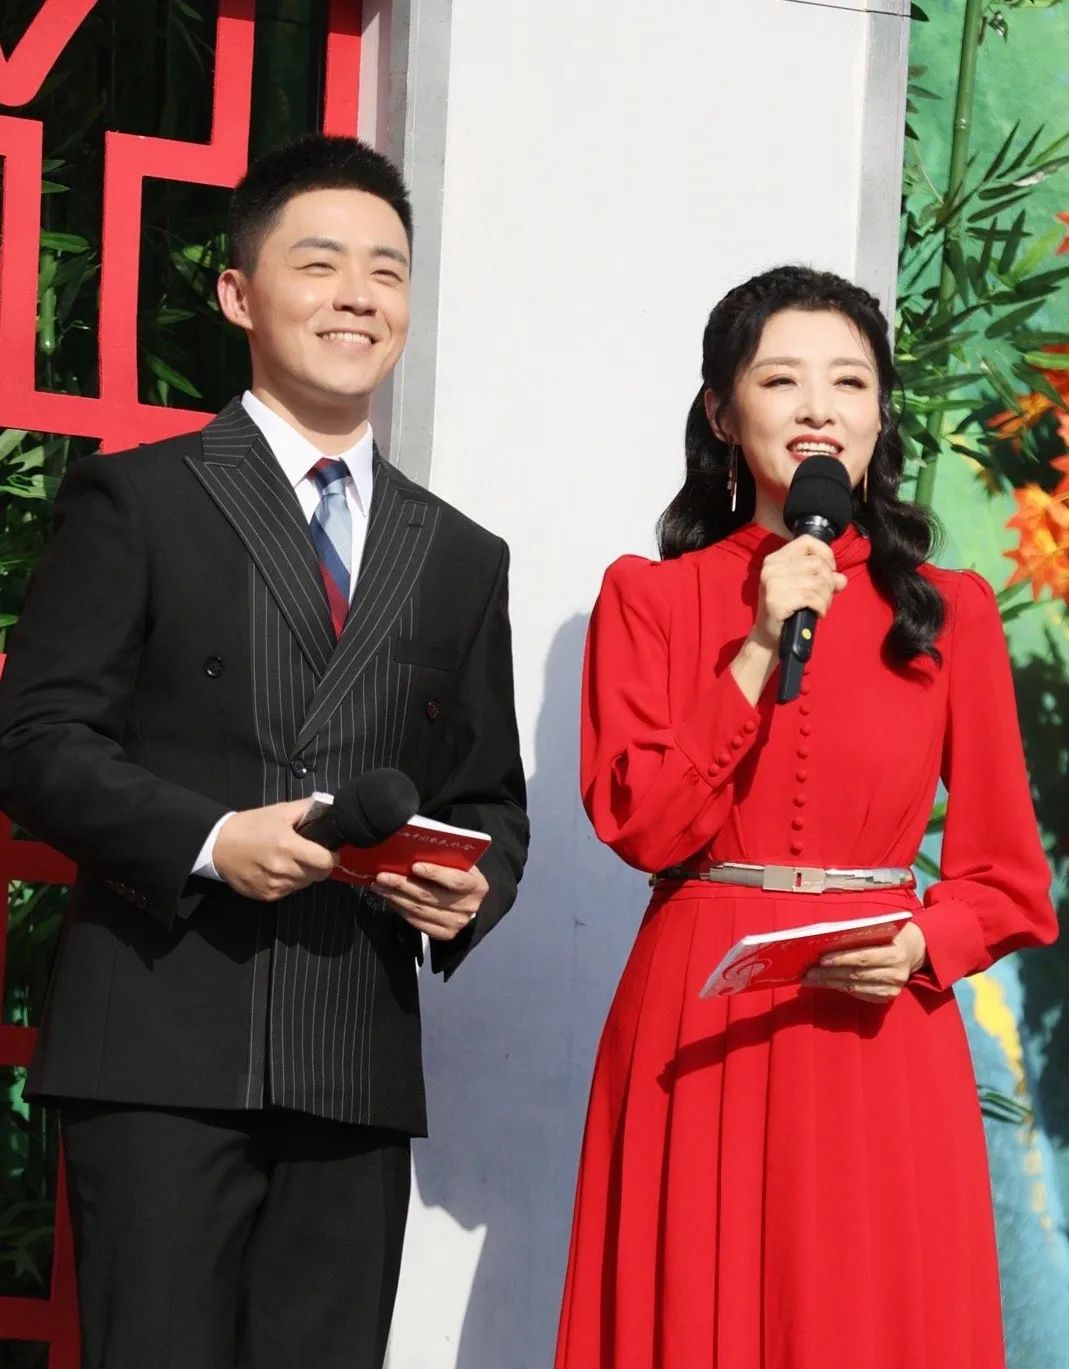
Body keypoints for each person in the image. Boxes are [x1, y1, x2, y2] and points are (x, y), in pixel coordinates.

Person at [0, 134, 528, 1369]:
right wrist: (210, 838)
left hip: (352, 1056)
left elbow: (490, 800)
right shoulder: (140, 499)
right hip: (163, 1041)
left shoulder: (459, 554)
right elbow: (32, 740)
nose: (358, 296)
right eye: (321, 263)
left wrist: (469, 887)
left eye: (387, 271)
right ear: (240, 294)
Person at [554, 265, 1056, 1369]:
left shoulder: (950, 611)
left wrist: (922, 943)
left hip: (880, 1020)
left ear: (879, 416)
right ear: (722, 414)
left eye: (849, 381)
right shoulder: (649, 596)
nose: (818, 407)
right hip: (697, 1013)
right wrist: (753, 645)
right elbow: (640, 823)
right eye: (781, 380)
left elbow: (1007, 880)